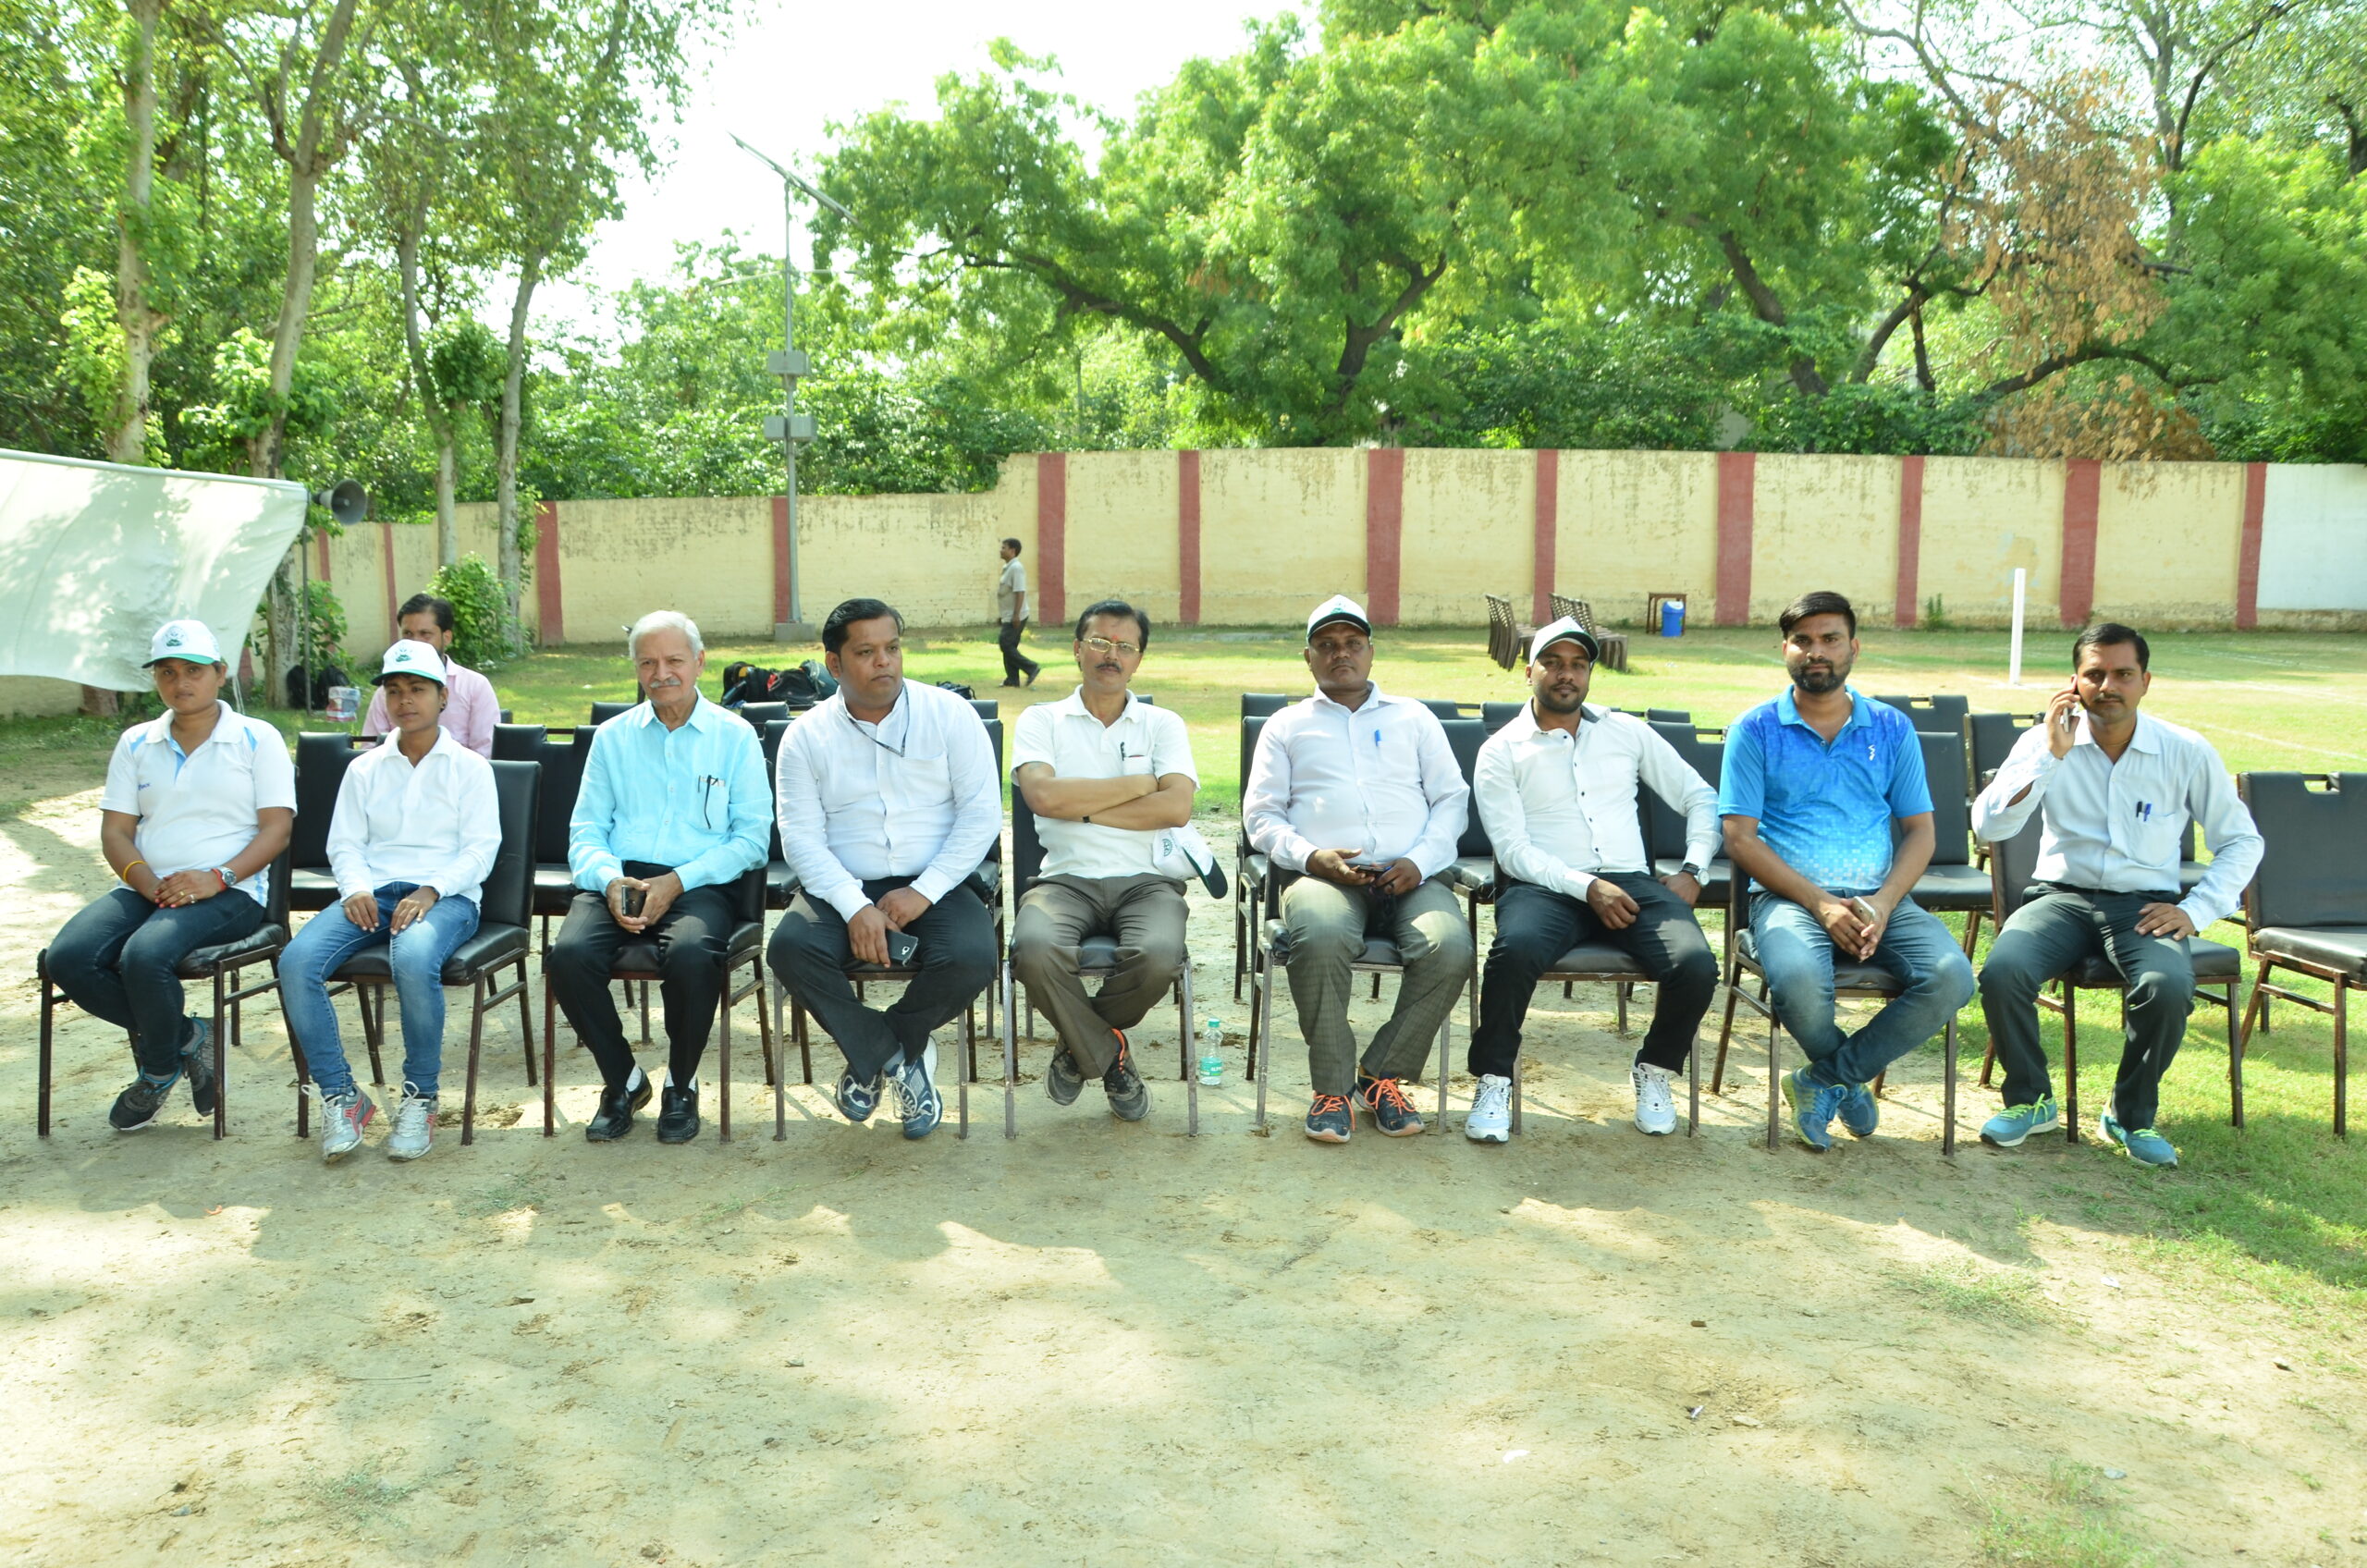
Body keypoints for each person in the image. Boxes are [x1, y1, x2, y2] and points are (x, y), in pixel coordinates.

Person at [1971, 624, 2263, 1168]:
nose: (2108, 686)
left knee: (2167, 986)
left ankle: (2129, 1114)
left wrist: (2196, 909)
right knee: (2002, 971)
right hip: (2060, 898)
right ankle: (2031, 1100)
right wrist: (2050, 756)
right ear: (2074, 683)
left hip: (2143, 906)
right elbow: (1989, 827)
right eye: (2095, 674)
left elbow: (2242, 841)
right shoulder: (2042, 743)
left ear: (2145, 682)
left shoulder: (2184, 750)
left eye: (2123, 674)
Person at [1720, 589, 1975, 1152]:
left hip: (1880, 899)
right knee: (1798, 982)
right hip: (1790, 900)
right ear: (1785, 650)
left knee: (1952, 976)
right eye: (1803, 640)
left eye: (1831, 639)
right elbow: (1739, 837)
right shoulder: (1755, 729)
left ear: (1853, 647)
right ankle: (1849, 1078)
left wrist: (1882, 903)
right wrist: (1820, 903)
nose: (1817, 651)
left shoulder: (1891, 728)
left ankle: (1825, 1078)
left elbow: (1921, 831)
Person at [1467, 616, 1721, 1143]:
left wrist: (1694, 869)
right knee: (1513, 953)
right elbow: (1512, 851)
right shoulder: (1502, 748)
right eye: (1552, 663)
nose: (1567, 674)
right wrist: (1585, 887)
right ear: (1529, 672)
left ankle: (1655, 1067)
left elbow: (1700, 797)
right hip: (1543, 886)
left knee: (1696, 965)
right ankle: (1494, 1079)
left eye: (1578, 664)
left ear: (1588, 673)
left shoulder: (1626, 731)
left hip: (1630, 882)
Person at [1244, 594, 1475, 1144]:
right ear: (1308, 658)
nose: (1340, 654)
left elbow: (1451, 800)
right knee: (1320, 936)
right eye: (1326, 645)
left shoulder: (1413, 717)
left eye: (1352, 643)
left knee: (1450, 947)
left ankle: (1380, 1075)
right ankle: (1331, 1090)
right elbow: (1261, 816)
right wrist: (1311, 857)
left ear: (1371, 652)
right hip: (1324, 877)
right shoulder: (1286, 725)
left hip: (1412, 875)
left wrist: (1420, 861)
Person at [48, 619, 294, 1132]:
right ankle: (186, 1035)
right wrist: (149, 885)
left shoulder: (256, 738)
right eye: (166, 672)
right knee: (67, 958)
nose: (180, 682)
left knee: (144, 955)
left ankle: (158, 1069)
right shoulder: (137, 742)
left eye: (193, 670)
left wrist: (218, 877)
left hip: (231, 891)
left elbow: (277, 830)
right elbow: (116, 832)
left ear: (220, 673)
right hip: (148, 887)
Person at [771, 597, 1000, 1139]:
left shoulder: (950, 715)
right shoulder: (805, 736)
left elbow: (982, 816)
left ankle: (879, 1046)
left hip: (937, 880)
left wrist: (924, 891)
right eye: (866, 652)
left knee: (973, 957)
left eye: (892, 648)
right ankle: (898, 1058)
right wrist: (855, 907)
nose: (885, 662)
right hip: (840, 883)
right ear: (834, 664)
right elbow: (800, 839)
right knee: (789, 949)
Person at [546, 611, 767, 1145]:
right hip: (620, 878)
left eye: (673, 660)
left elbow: (753, 839)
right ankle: (623, 1080)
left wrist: (679, 880)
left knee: (691, 956)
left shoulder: (735, 736)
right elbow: (586, 830)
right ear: (637, 669)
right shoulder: (612, 738)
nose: (661, 673)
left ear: (699, 662)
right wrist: (608, 880)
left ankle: (681, 1084)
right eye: (648, 662)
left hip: (700, 882)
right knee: (567, 958)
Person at [279, 641, 500, 1162]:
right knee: (296, 961)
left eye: (417, 689)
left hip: (445, 897)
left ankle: (420, 1097)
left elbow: (481, 849)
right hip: (372, 895)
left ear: (442, 697)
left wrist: (432, 888)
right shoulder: (365, 768)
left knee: (415, 956)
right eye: (394, 690)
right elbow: (344, 844)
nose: (405, 700)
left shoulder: (470, 768)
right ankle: (341, 1095)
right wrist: (355, 888)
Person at [1011, 599, 1198, 1121]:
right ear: (1077, 649)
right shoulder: (1042, 719)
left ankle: (1079, 1044)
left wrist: (1084, 809)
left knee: (1159, 955)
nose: (1110, 655)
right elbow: (1042, 797)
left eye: (1124, 646)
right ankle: (1107, 1051)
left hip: (1147, 882)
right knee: (1033, 950)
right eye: (1099, 642)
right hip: (1064, 881)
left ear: (1138, 659)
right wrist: (1140, 785)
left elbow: (1176, 807)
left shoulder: (1162, 724)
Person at [360, 594, 499, 757]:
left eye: (425, 634)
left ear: (446, 637)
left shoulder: (474, 686)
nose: (415, 642)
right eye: (408, 634)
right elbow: (370, 749)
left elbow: (486, 752)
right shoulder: (386, 693)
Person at [995, 537, 1040, 688]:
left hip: (1017, 615)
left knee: (1005, 644)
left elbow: (1020, 592)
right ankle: (1012, 679)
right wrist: (1003, 615)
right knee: (1009, 646)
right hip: (1008, 615)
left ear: (1012, 551)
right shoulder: (1008, 567)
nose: (1001, 550)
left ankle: (1031, 667)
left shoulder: (1016, 568)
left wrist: (1016, 615)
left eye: (1004, 548)